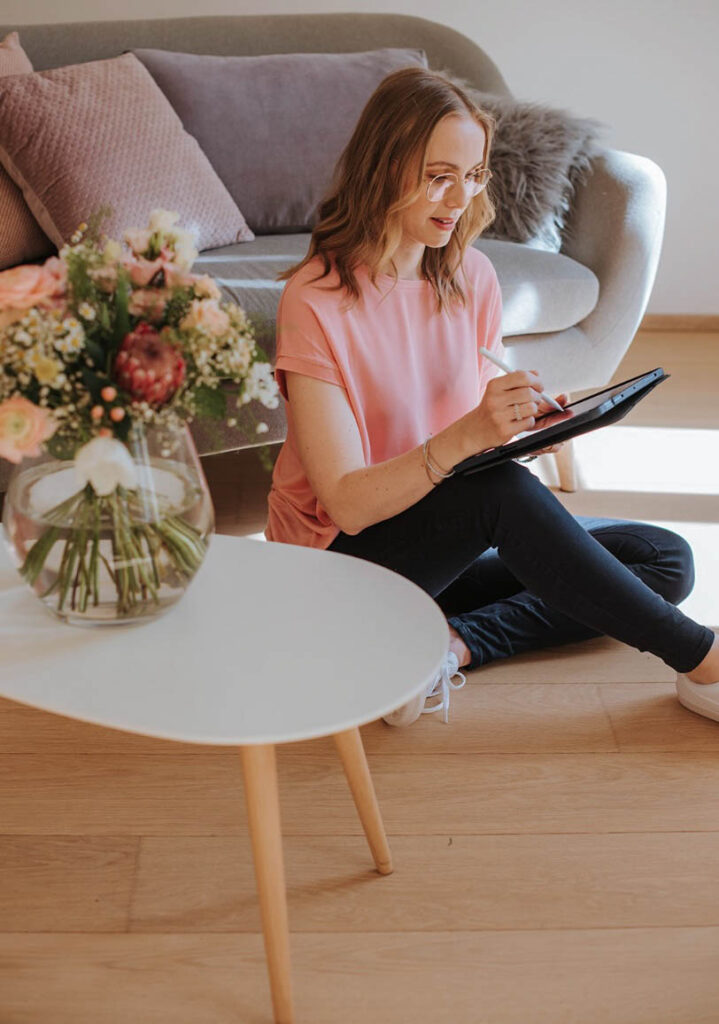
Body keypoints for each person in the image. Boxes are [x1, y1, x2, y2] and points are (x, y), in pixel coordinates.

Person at [264, 66, 719, 727]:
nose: (458, 196)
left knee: (662, 558)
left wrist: (518, 420)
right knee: (500, 494)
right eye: (437, 174)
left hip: (432, 536)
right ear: (383, 167)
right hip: (334, 566)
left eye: (472, 174)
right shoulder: (316, 301)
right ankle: (703, 661)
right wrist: (471, 438)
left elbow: (466, 431)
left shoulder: (469, 276)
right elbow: (347, 503)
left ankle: (447, 645)